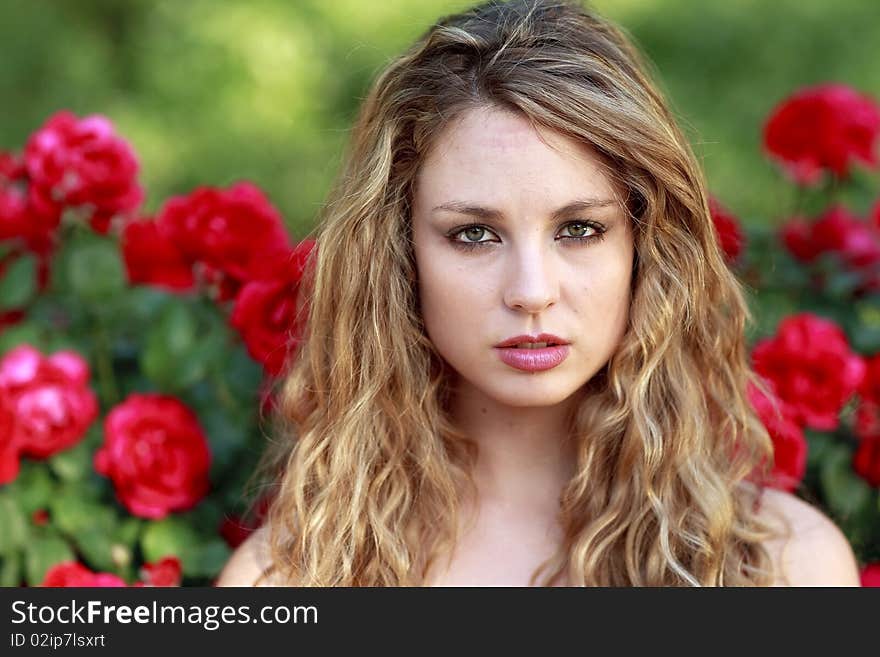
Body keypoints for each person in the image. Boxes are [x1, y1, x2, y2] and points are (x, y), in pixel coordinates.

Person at [216, 0, 862, 586]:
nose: (531, 291)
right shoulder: (287, 581)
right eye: (474, 234)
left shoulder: (784, 567)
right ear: (399, 254)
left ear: (645, 246)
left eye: (579, 229)